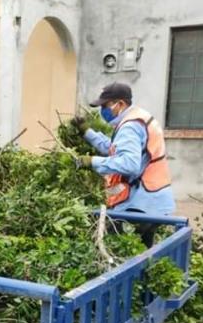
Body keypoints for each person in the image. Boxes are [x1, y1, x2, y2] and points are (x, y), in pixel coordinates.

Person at [73, 82, 175, 247]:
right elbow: (114, 149)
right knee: (141, 250)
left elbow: (129, 164)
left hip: (143, 201)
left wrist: (93, 161)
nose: (102, 111)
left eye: (105, 106)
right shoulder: (137, 117)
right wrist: (88, 133)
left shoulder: (130, 126)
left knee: (123, 245)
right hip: (152, 198)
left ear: (119, 104)